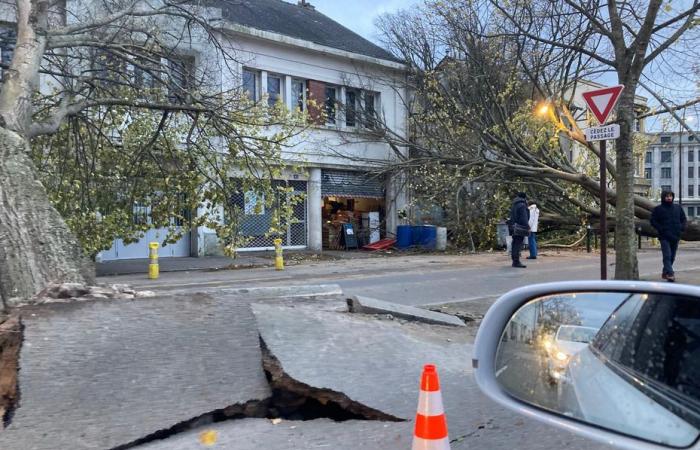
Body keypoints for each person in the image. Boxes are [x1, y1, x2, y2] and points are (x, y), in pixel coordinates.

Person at [650, 190, 687, 282]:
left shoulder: (678, 208)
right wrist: (661, 229)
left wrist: (681, 228)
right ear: (663, 197)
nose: (669, 198)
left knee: (672, 257)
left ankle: (665, 272)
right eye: (667, 196)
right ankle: (670, 274)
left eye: (670, 196)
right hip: (664, 236)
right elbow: (653, 221)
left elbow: (683, 219)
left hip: (676, 235)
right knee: (667, 255)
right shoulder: (658, 209)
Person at [509, 192, 530, 268]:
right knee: (518, 244)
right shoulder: (522, 205)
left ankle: (514, 260)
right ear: (524, 198)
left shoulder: (514, 205)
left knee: (514, 243)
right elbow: (524, 218)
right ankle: (516, 262)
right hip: (520, 227)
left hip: (513, 226)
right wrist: (527, 227)